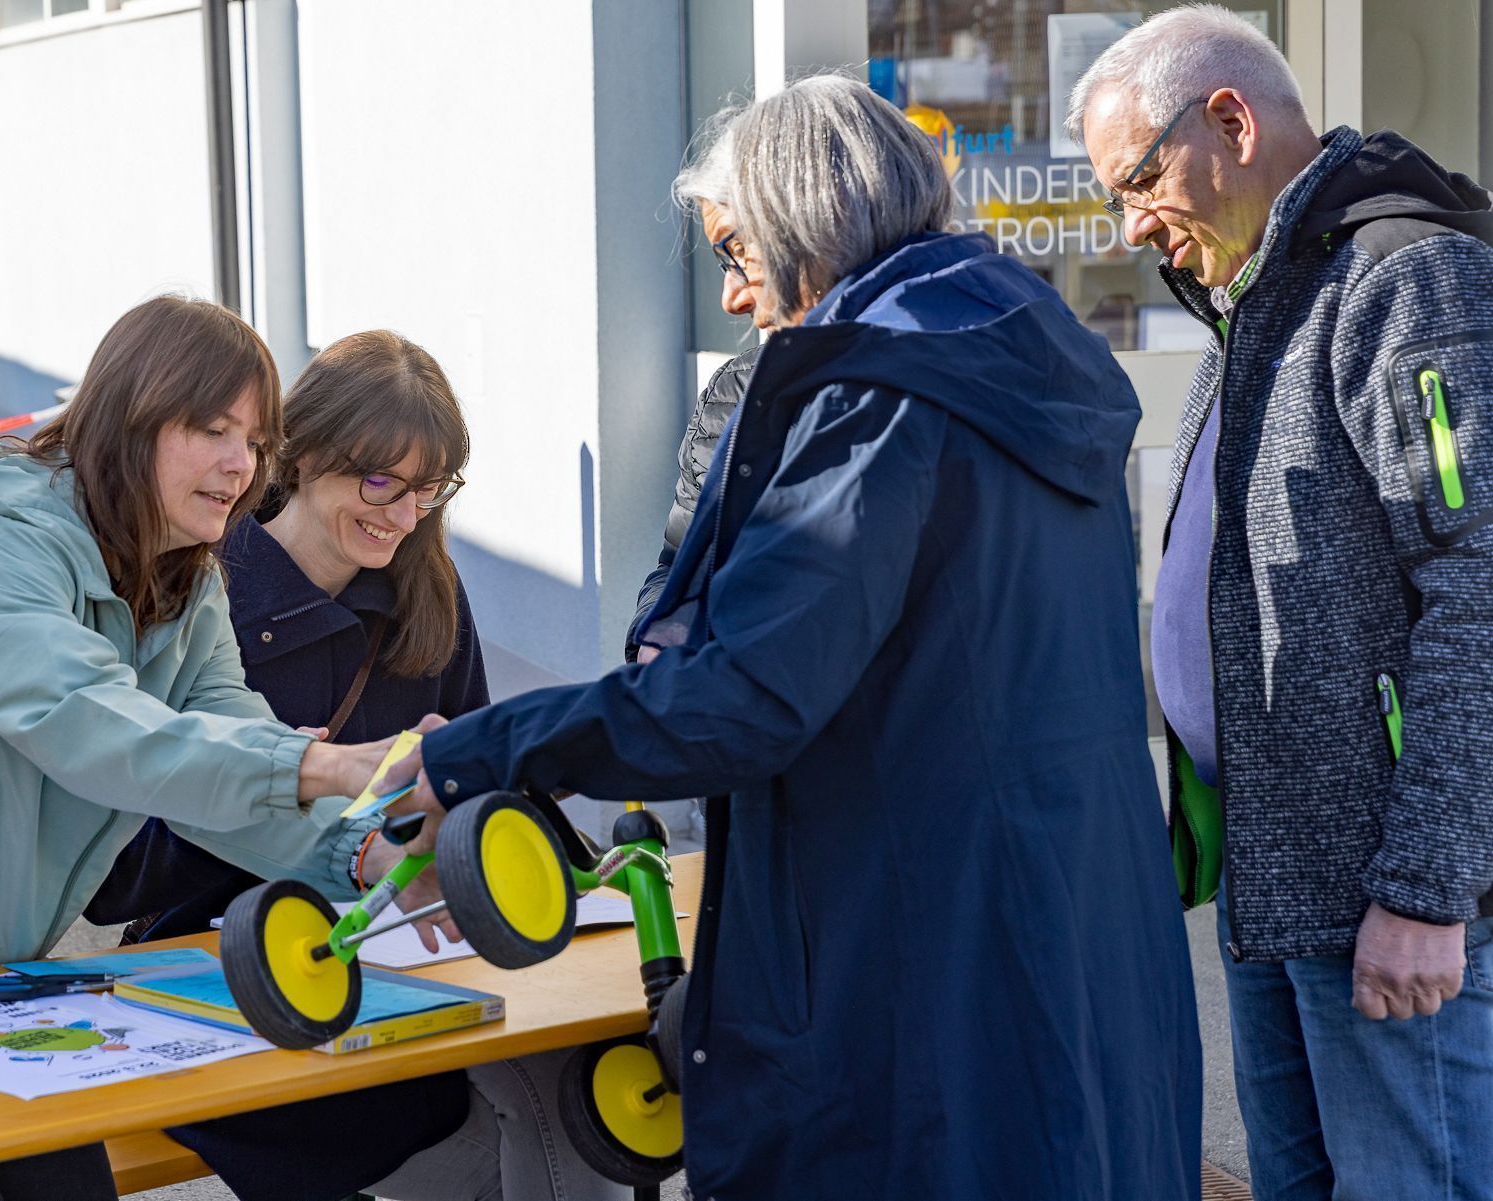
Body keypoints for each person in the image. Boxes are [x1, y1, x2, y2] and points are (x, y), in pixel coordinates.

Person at [383, 75, 1203, 1200]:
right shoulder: (1024, 359)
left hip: (915, 976)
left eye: (735, 250)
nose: (730, 297)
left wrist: (476, 750)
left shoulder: (878, 399)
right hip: (1067, 950)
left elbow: (742, 700)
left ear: (806, 219)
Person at [0, 296, 461, 1200]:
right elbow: (87, 724)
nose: (239, 464)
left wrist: (370, 853)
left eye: (254, 441)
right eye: (211, 429)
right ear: (131, 421)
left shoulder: (188, 582)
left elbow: (234, 752)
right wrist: (332, 763)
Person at [1069, 6, 1493, 1198]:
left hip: (1386, 901)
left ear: (1232, 120)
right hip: (1283, 883)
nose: (1131, 222)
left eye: (1137, 180)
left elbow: (1481, 579)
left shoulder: (1403, 280)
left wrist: (1425, 888)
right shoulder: (1260, 293)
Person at [87, 329, 625, 1201]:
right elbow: (111, 878)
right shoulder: (197, 594)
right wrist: (267, 789)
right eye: (380, 481)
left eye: (427, 489)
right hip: (236, 968)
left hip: (410, 946)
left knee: (572, 1077)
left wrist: (465, 795)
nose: (403, 515)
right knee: (531, 1113)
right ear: (300, 456)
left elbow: (468, 805)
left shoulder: (428, 596)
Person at [627, 118, 762, 665]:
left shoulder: (919, 411)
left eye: (739, 254)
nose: (731, 298)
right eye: (721, 263)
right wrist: (654, 638)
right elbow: (676, 565)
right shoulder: (734, 392)